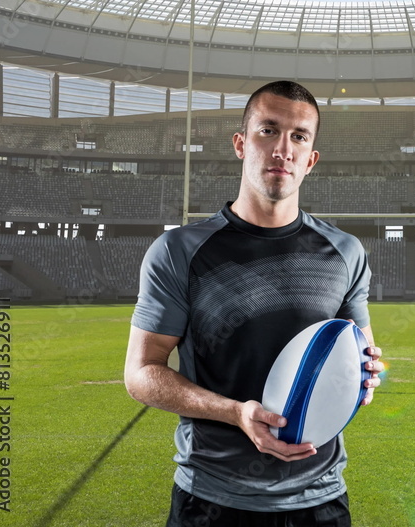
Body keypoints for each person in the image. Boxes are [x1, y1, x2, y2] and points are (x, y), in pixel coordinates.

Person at [124, 80, 384, 527]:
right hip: (210, 500)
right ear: (241, 144)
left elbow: (358, 358)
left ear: (311, 160)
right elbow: (141, 375)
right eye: (269, 130)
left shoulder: (346, 252)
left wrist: (368, 375)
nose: (283, 148)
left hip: (320, 499)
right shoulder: (179, 251)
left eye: (299, 136)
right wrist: (235, 413)